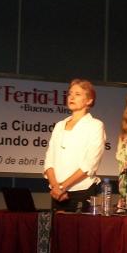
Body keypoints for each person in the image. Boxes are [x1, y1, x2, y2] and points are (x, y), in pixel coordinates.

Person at [44, 79, 106, 212]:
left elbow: (89, 164)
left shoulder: (95, 125)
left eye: (77, 94)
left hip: (81, 190)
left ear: (89, 100)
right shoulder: (59, 125)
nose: (71, 97)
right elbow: (49, 160)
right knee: (56, 231)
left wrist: (62, 187)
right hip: (57, 193)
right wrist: (56, 187)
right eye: (70, 93)